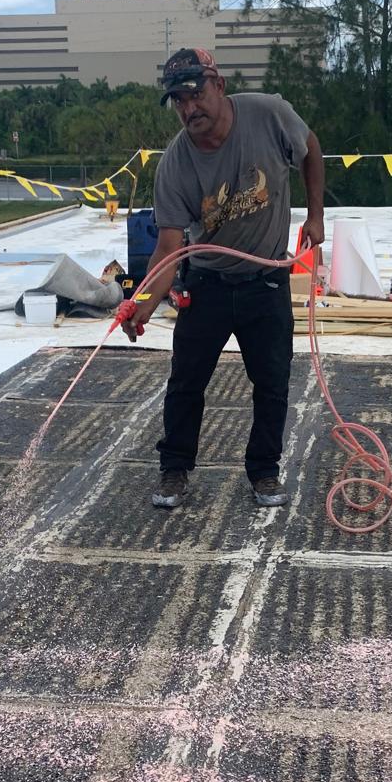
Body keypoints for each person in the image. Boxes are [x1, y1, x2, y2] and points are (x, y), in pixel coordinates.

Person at [118, 48, 324, 510]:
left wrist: (315, 214)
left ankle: (264, 472)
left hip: (266, 282)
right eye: (178, 100)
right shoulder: (174, 164)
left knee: (271, 383)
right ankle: (174, 470)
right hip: (206, 285)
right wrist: (144, 305)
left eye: (196, 94)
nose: (189, 108)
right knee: (186, 382)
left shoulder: (269, 115)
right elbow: (171, 248)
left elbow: (310, 148)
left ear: (219, 86)